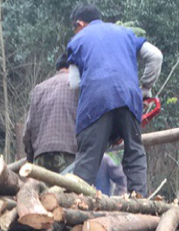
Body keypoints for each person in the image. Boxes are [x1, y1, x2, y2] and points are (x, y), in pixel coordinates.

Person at [66, 4, 163, 196]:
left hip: (95, 101)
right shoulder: (125, 33)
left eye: (74, 27)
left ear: (80, 23)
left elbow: (75, 84)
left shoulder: (77, 40)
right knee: (135, 153)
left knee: (88, 159)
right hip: (128, 98)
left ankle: (78, 204)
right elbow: (156, 56)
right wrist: (145, 88)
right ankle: (140, 203)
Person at [23, 53, 78, 174]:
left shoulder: (39, 89)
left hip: (41, 156)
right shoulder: (77, 86)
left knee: (45, 193)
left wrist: (30, 159)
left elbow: (28, 131)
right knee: (70, 193)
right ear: (73, 67)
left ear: (58, 69)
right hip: (69, 154)